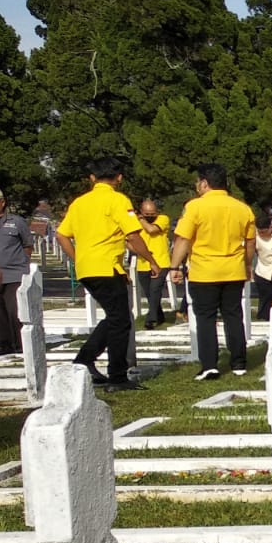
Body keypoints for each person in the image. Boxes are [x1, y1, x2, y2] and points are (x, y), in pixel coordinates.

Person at [56, 156, 159, 390]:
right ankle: (117, 376)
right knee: (121, 320)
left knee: (116, 316)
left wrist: (77, 257)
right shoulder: (117, 200)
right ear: (119, 178)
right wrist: (151, 260)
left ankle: (84, 361)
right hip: (106, 267)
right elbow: (133, 235)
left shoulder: (79, 203)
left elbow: (62, 234)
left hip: (86, 267)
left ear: (93, 178)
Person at [170, 163, 257, 380]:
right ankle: (239, 363)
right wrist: (247, 265)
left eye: (197, 182)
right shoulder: (242, 208)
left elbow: (183, 238)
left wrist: (174, 266)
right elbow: (250, 242)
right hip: (233, 270)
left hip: (204, 271)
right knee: (233, 316)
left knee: (206, 318)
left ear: (204, 183)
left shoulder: (195, 207)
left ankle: (210, 364)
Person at [0, 186, 34, 354]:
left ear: (2, 203)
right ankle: (4, 344)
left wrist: (23, 264)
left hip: (14, 274)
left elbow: (28, 245)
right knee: (0, 313)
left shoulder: (16, 221)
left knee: (15, 310)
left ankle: (20, 344)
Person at [132, 199, 172, 329]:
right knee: (149, 293)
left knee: (155, 290)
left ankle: (151, 319)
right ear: (142, 211)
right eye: (146, 213)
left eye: (152, 213)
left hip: (161, 261)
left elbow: (152, 230)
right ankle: (159, 315)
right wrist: (140, 251)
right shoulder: (134, 223)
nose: (150, 216)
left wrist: (142, 219)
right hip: (142, 263)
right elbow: (129, 242)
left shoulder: (163, 219)